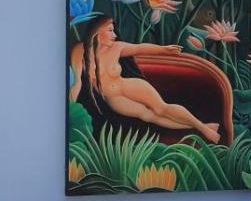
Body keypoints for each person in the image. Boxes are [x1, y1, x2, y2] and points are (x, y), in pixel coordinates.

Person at [70, 18, 221, 143]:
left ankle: (203, 128)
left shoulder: (116, 47)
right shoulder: (79, 50)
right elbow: (77, 81)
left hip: (128, 85)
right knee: (150, 116)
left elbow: (140, 48)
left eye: (114, 30)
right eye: (110, 30)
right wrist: (71, 105)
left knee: (161, 108)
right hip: (113, 98)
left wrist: (163, 50)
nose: (114, 34)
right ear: (97, 30)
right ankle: (203, 127)